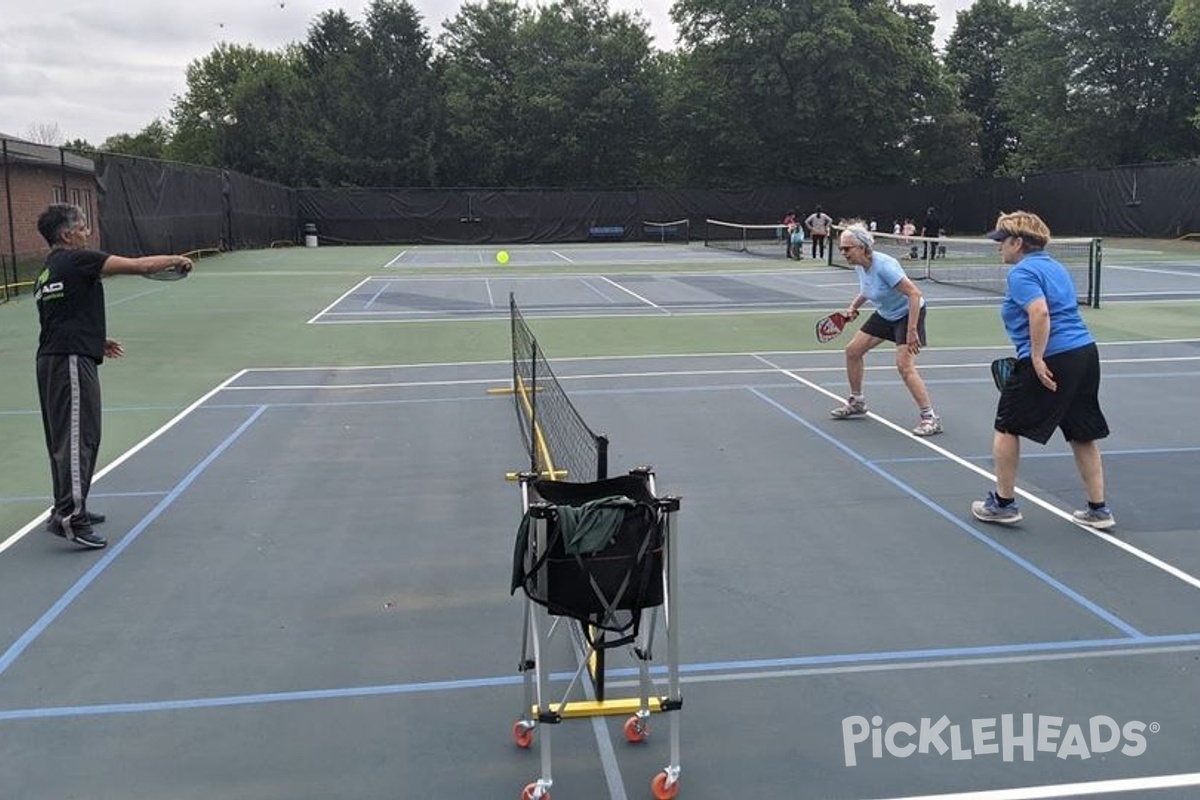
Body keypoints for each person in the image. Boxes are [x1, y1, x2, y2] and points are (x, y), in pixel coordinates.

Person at [34, 203, 194, 549]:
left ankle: (68, 506)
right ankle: (70, 519)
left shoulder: (49, 270)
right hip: (69, 361)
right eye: (82, 227)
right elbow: (137, 266)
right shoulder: (79, 259)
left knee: (70, 438)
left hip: (57, 357)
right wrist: (175, 260)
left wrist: (96, 340)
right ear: (66, 234)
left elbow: (58, 317)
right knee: (79, 438)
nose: (87, 232)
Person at [971, 211, 1114, 529]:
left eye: (1002, 241)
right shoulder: (1054, 267)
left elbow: (1039, 313)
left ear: (1017, 242)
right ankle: (1098, 509)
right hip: (1085, 354)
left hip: (1053, 357)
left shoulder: (1021, 273)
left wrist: (1035, 359)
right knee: (1082, 432)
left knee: (1007, 426)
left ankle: (1003, 504)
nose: (999, 248)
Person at [829, 222, 942, 436]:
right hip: (885, 314)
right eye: (841, 248)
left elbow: (915, 294)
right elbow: (867, 290)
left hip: (908, 314)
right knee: (853, 351)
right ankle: (857, 402)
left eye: (847, 248)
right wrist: (853, 307)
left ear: (862, 247)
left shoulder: (884, 266)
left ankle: (930, 418)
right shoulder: (860, 265)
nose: (843, 252)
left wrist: (911, 330)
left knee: (904, 366)